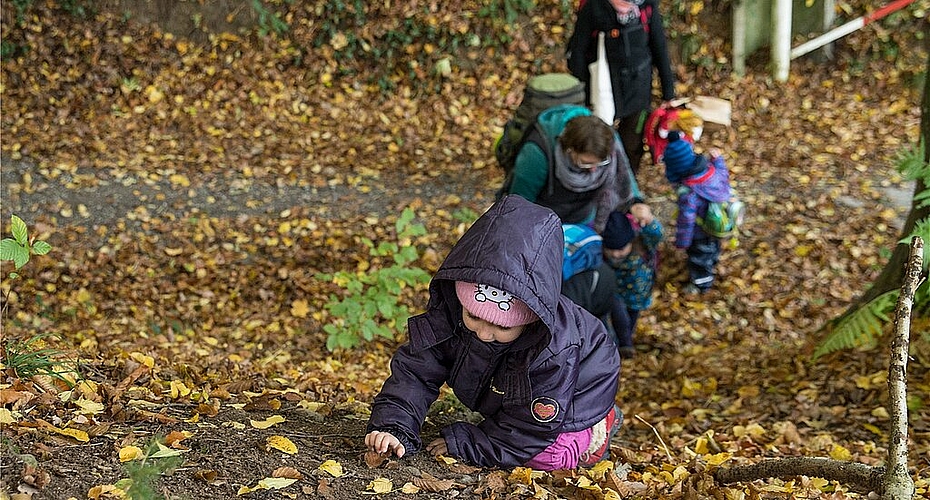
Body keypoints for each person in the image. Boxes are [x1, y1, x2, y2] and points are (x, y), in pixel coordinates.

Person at [365, 195, 622, 470]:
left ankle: (598, 428)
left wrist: (469, 442)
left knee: (547, 458)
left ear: (531, 321)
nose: (484, 334)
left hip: (575, 393)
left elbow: (529, 431)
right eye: (474, 316)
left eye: (502, 326)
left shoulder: (553, 351)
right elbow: (416, 371)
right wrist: (393, 425)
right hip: (513, 393)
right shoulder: (451, 314)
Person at [566, 0, 676, 175]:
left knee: (633, 139)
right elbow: (577, 51)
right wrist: (584, 93)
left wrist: (668, 92)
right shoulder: (594, 8)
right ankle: (599, 179)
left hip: (639, 84)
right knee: (599, 137)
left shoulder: (647, 6)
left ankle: (628, 181)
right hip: (603, 86)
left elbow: (659, 47)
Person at [503, 103, 646, 233]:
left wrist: (635, 203)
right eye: (585, 163)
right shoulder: (536, 153)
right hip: (542, 222)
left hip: (584, 216)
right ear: (569, 150)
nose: (594, 170)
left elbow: (623, 171)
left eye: (600, 163)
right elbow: (519, 204)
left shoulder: (608, 139)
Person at [662, 131, 731, 294]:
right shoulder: (711, 171)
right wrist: (718, 160)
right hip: (716, 225)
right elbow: (724, 173)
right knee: (712, 249)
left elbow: (687, 221)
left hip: (699, 233)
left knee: (699, 258)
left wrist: (682, 242)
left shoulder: (689, 193)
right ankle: (712, 263)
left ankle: (701, 284)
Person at [601, 209, 663, 358]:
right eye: (611, 250)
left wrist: (649, 220)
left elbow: (657, 235)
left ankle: (627, 338)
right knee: (620, 318)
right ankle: (623, 344)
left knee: (631, 318)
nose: (616, 254)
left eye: (621, 249)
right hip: (617, 293)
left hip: (638, 295)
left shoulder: (643, 245)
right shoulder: (603, 256)